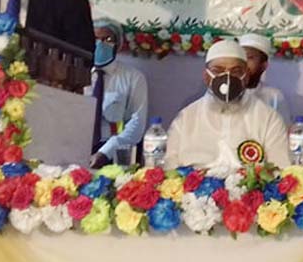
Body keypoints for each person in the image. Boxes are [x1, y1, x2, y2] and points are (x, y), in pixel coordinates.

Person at [165, 39, 289, 170]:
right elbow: (170, 170)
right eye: (218, 70)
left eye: (236, 71)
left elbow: (280, 169)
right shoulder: (185, 119)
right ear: (206, 76)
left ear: (246, 76)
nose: (227, 77)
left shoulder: (268, 118)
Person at [88, 18, 149, 169]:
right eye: (95, 39)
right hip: (75, 146)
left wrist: (105, 152)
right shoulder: (76, 72)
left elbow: (137, 122)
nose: (100, 44)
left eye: (108, 39)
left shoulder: (133, 77)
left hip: (114, 151)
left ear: (118, 44)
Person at [238, 33, 291, 125]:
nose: (244, 62)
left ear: (264, 65)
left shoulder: (274, 95)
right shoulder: (223, 91)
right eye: (240, 57)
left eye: (249, 57)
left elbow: (284, 129)